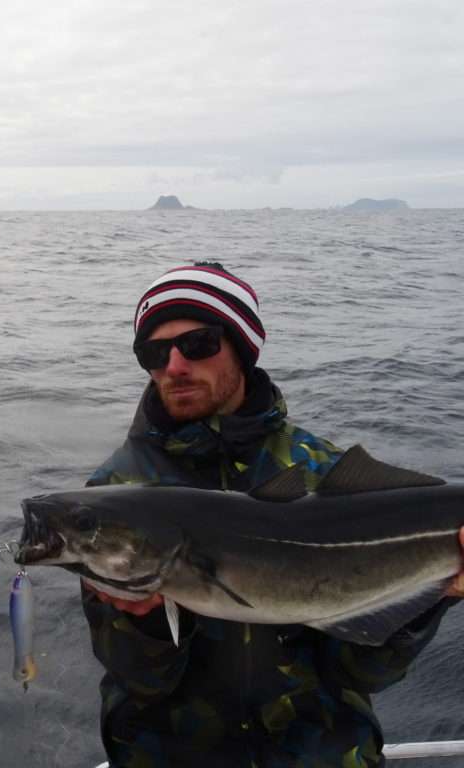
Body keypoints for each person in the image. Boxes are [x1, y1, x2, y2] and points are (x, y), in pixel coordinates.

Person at [82, 261, 462, 767]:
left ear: (240, 346)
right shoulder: (111, 499)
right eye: (153, 352)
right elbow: (140, 681)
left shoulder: (320, 473)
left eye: (198, 344)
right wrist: (145, 626)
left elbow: (363, 671)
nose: (174, 366)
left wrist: (433, 593)